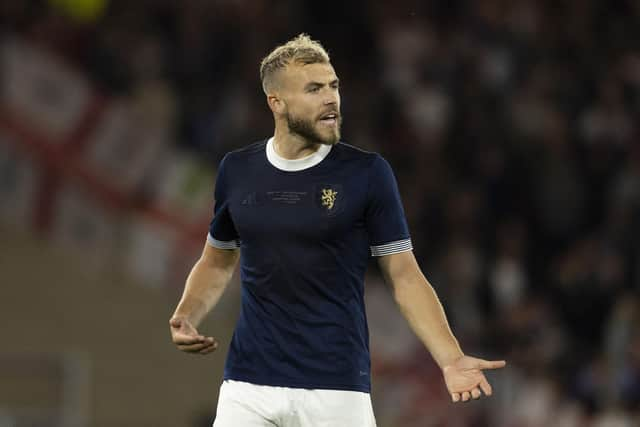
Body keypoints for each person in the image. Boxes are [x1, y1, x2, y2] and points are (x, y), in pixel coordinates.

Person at [169, 33, 506, 426]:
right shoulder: (237, 170)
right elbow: (217, 260)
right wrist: (186, 314)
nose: (331, 98)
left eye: (333, 86)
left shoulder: (366, 174)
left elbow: (404, 275)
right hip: (248, 385)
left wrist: (449, 357)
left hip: (336, 389)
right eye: (314, 89)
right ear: (277, 103)